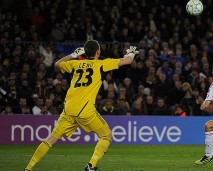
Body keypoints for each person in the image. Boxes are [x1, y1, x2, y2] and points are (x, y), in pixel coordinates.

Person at [24, 40, 138, 171]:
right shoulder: (100, 64)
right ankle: (91, 165)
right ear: (98, 52)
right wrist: (132, 53)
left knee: (51, 139)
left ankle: (29, 168)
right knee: (107, 136)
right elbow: (127, 61)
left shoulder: (75, 64)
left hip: (69, 109)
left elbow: (57, 65)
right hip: (85, 110)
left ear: (84, 52)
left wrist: (73, 54)